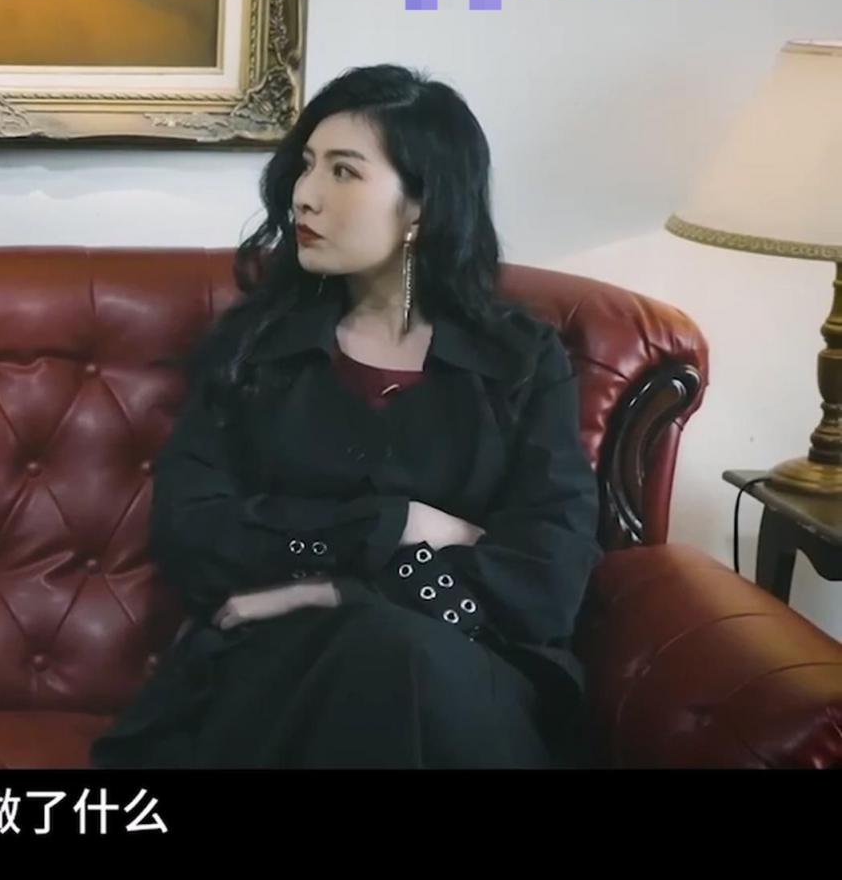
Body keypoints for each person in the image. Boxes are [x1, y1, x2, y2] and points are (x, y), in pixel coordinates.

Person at [92, 65, 601, 769]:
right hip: (279, 674)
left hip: (463, 678)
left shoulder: (520, 361)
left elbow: (546, 578)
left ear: (420, 205)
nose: (305, 195)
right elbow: (195, 534)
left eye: (343, 172)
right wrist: (390, 526)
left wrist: (335, 588)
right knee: (378, 662)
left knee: (395, 655)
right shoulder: (256, 348)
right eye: (306, 166)